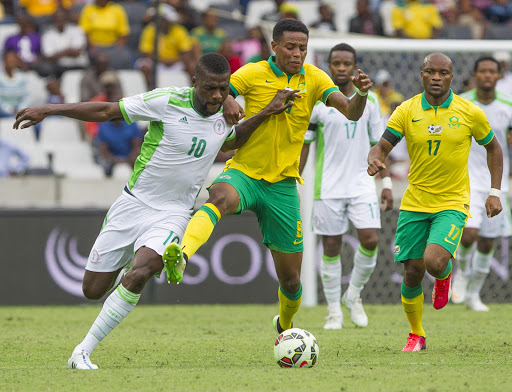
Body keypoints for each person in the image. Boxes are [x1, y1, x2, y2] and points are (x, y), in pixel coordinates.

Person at [13, 53, 297, 370]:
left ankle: (82, 351)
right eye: (209, 89)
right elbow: (108, 111)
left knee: (142, 271)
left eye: (222, 89)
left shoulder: (223, 116)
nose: (216, 96)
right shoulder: (167, 101)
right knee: (92, 290)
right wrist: (50, 109)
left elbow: (230, 142)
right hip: (133, 204)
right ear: (195, 83)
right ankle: (126, 271)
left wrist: (267, 113)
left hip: (174, 213)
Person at [161, 19, 373, 336]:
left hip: (284, 187)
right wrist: (230, 98)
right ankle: (181, 255)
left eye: (302, 48)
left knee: (291, 280)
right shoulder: (253, 72)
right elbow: (219, 92)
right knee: (219, 197)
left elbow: (351, 112)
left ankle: (285, 327)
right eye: (290, 47)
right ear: (274, 46)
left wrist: (360, 95)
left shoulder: (315, 78)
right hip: (245, 172)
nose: (298, 53)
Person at [367, 53, 503, 352]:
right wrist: (375, 157)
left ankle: (444, 275)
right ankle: (416, 334)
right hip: (415, 203)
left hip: (452, 202)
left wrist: (495, 191)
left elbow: (494, 148)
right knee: (412, 272)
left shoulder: (469, 111)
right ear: (422, 75)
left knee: (433, 260)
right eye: (431, 72)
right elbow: (382, 145)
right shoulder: (407, 110)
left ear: (451, 77)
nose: (437, 77)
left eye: (443, 72)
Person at [298, 43, 393, 330]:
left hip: (362, 182)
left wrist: (385, 182)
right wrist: (295, 180)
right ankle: (333, 312)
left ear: (354, 67)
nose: (341, 68)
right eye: (336, 63)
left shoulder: (372, 102)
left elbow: (380, 144)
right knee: (331, 247)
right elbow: (305, 145)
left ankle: (353, 295)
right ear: (329, 66)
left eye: (346, 64)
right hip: (327, 186)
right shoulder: (318, 102)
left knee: (370, 240)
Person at [452, 57, 512, 311]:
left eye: (492, 71)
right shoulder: (461, 103)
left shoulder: (507, 107)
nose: (487, 75)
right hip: (466, 182)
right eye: (482, 71)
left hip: (496, 185)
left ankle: (474, 294)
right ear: (475, 75)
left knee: (488, 242)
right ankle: (463, 273)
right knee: (469, 234)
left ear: (499, 76)